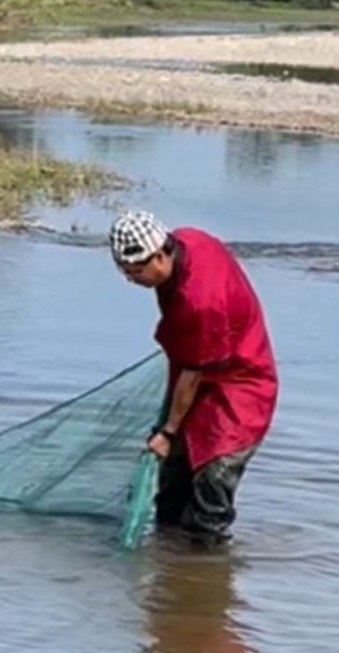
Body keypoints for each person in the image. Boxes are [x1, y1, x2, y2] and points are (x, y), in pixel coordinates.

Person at [109, 210, 278, 545]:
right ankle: (170, 561)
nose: (133, 279)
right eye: (126, 273)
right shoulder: (187, 239)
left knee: (213, 479)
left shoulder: (200, 300)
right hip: (199, 376)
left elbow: (193, 370)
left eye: (137, 270)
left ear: (160, 254)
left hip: (241, 385)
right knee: (174, 479)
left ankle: (205, 572)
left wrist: (167, 430)